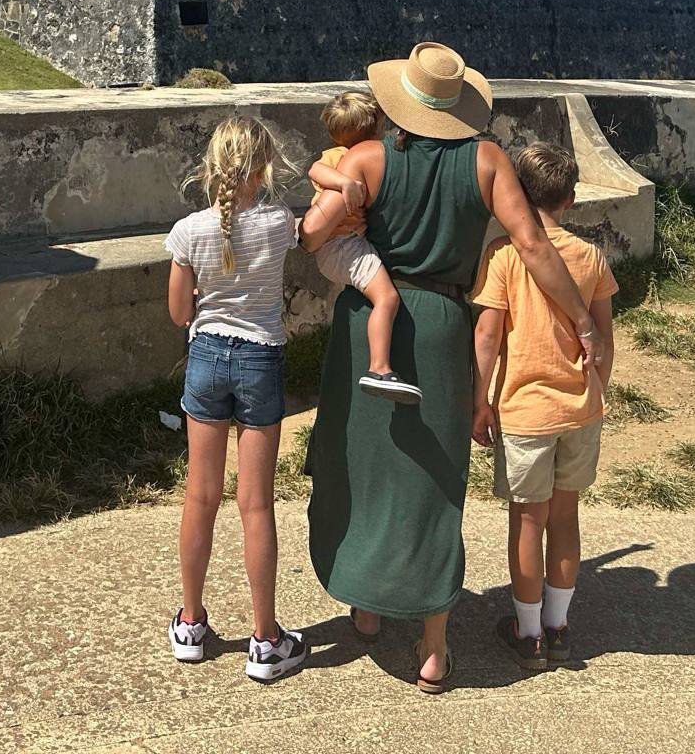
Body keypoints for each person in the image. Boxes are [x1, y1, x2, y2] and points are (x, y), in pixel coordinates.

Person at [302, 42, 599, 694]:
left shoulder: (367, 156)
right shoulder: (488, 161)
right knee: (435, 485)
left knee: (363, 471)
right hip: (442, 328)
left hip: (367, 322)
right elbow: (533, 243)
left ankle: (367, 608)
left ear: (401, 101)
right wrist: (579, 317)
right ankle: (434, 649)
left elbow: (312, 235)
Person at [163, 114, 311, 684]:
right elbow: (316, 225)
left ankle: (191, 623)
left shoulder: (187, 231)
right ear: (263, 167)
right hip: (259, 360)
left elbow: (179, 313)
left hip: (205, 357)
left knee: (200, 497)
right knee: (256, 505)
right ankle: (266, 640)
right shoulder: (278, 223)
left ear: (211, 166)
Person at [471, 141, 618, 671]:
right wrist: (595, 389)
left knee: (527, 521)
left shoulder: (504, 254)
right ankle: (558, 626)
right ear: (570, 199)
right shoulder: (591, 257)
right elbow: (603, 338)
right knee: (565, 516)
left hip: (525, 410)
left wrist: (479, 401)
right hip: (579, 408)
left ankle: (528, 633)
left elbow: (487, 336)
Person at [302, 90, 417, 402]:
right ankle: (379, 367)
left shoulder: (339, 154)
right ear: (376, 130)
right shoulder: (342, 159)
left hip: (344, 244)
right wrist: (345, 183)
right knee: (387, 298)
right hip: (342, 245)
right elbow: (314, 170)